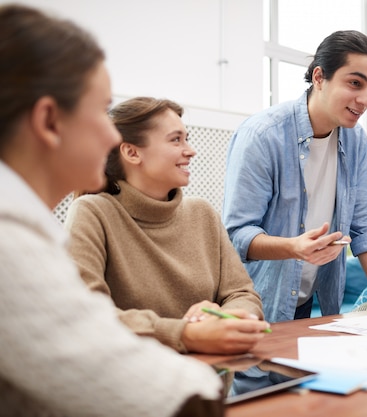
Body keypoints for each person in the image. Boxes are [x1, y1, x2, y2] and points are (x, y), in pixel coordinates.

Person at [0, 4, 223, 416]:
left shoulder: (24, 225)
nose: (110, 133)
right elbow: (158, 391)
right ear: (49, 120)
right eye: (101, 112)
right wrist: (192, 341)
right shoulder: (10, 236)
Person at [222, 30, 367, 322]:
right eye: (355, 83)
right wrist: (293, 248)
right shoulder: (262, 135)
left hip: (311, 301)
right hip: (255, 301)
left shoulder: (356, 142)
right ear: (319, 77)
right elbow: (236, 234)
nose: (365, 99)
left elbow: (365, 225)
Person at [65, 97, 270, 355]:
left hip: (209, 382)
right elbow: (85, 314)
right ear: (131, 152)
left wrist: (223, 317)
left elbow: (243, 295)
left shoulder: (202, 213)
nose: (191, 150)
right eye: (176, 140)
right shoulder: (93, 212)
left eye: (187, 138)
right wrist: (186, 334)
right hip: (135, 386)